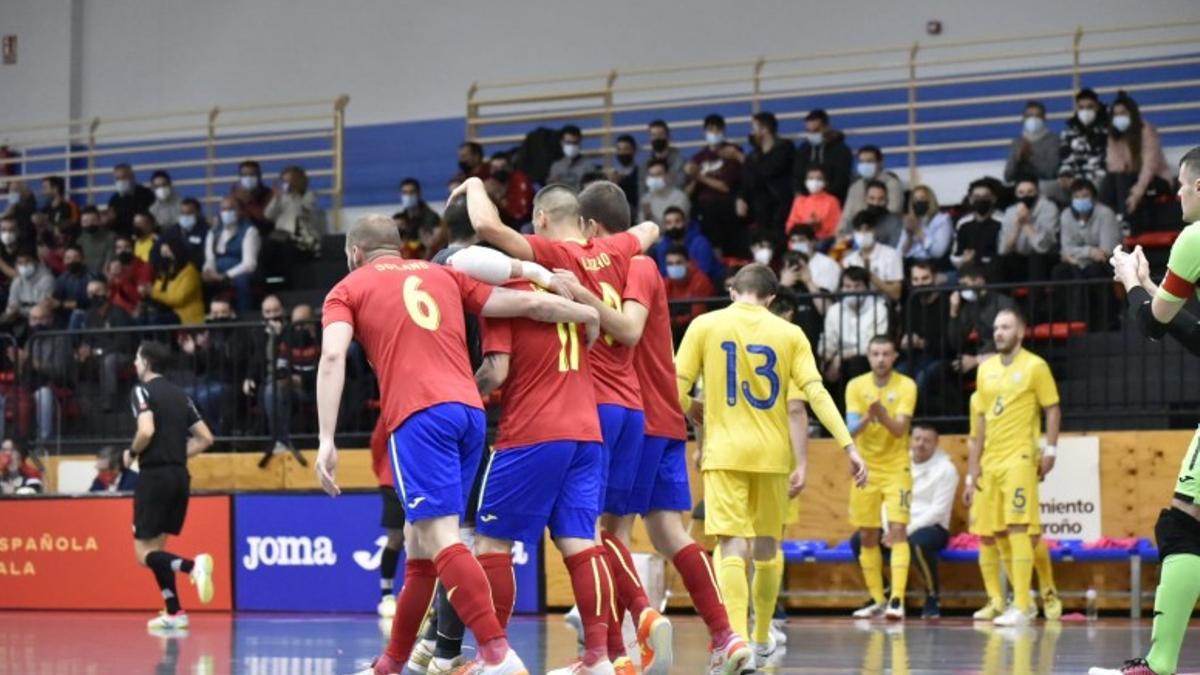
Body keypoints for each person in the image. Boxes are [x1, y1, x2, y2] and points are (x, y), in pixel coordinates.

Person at [315, 213, 602, 675]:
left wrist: (326, 439)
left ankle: (496, 652)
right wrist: (587, 311)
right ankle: (392, 663)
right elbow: (527, 305)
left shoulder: (347, 289)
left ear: (354, 253)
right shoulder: (443, 274)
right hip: (469, 412)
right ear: (399, 246)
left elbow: (332, 356)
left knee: (440, 536)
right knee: (420, 543)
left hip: (418, 413)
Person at [454, 179, 670, 672]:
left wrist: (473, 184)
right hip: (587, 426)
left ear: (543, 220)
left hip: (533, 429)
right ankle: (597, 657)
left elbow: (498, 371)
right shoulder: (612, 252)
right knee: (581, 538)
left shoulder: (514, 284)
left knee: (492, 542)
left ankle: (496, 656)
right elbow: (649, 228)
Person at [551, 181, 751, 673]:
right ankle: (726, 637)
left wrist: (578, 295)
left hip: (640, 417)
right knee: (667, 533)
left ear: (591, 228)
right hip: (662, 414)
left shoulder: (636, 266)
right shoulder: (634, 264)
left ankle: (624, 639)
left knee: (606, 534)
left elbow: (630, 330)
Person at [675, 264, 866, 666]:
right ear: (772, 299)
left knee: (731, 544)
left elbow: (673, 384)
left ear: (732, 291)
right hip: (773, 455)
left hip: (726, 452)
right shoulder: (790, 333)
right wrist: (848, 446)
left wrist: (691, 407)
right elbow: (815, 393)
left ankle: (737, 641)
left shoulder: (705, 325)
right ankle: (762, 638)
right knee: (767, 547)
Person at [1098, 147, 1200, 675]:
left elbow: (1154, 325)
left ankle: (1158, 665)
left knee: (1185, 526)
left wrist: (1133, 281)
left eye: (1182, 186)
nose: (1178, 195)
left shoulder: (1195, 238)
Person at [966, 309, 1061, 627]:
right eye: (995, 328)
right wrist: (973, 468)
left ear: (1020, 332)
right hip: (990, 461)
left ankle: (1023, 604)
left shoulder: (1035, 366)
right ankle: (1002, 601)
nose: (999, 333)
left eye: (1005, 327)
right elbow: (979, 421)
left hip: (1020, 458)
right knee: (991, 533)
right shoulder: (985, 370)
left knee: (1020, 528)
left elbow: (1052, 409)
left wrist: (1050, 449)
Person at [125, 341, 216, 631]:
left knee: (143, 554)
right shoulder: (181, 395)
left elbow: (146, 429)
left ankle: (193, 567)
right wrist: (176, 452)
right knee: (158, 552)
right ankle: (174, 612)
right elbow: (205, 438)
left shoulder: (141, 390)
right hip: (179, 476)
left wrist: (131, 452)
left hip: (154, 477)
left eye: (137, 358)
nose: (134, 364)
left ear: (147, 362)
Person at [845, 335, 916, 620]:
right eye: (875, 353)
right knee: (867, 534)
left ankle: (897, 599)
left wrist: (881, 415)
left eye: (886, 354)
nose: (881, 359)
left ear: (895, 356)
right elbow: (850, 429)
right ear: (868, 355)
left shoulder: (907, 385)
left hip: (897, 467)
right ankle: (877, 598)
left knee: (898, 529)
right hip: (867, 469)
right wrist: (868, 417)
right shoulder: (855, 386)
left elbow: (899, 429)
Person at [902, 424, 957, 618]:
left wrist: (907, 530)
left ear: (936, 443)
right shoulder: (900, 463)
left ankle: (933, 596)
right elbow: (888, 498)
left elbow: (938, 510)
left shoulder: (946, 469)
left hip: (933, 527)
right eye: (917, 439)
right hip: (900, 523)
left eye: (927, 440)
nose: (920, 444)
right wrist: (890, 526)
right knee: (861, 540)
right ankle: (884, 595)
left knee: (918, 543)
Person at [1101, 91, 1173, 233]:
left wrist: (1136, 194)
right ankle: (1109, 222)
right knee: (1111, 180)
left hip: (1155, 179)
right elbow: (1114, 166)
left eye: (1123, 113)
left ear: (1132, 114)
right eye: (1115, 114)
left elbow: (1149, 167)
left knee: (1124, 180)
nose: (1119, 118)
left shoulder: (1146, 130)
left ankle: (1126, 221)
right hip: (1129, 178)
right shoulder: (1114, 135)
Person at [1053, 178, 1120, 326]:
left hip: (1106, 264)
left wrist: (1077, 254)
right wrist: (1089, 251)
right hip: (1078, 263)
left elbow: (1106, 251)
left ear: (1094, 198)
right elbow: (1066, 249)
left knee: (1093, 272)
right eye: (1076, 197)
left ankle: (1104, 323)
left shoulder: (1105, 214)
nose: (1080, 200)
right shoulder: (1066, 215)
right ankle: (1069, 323)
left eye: (1085, 196)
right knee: (1060, 272)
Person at [821, 266, 889, 388]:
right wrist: (828, 359)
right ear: (841, 288)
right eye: (847, 286)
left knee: (856, 363)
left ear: (866, 287)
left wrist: (843, 355)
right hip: (839, 359)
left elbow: (877, 344)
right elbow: (827, 343)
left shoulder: (879, 308)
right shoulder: (834, 310)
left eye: (857, 286)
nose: (852, 290)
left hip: (867, 360)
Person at [686, 114, 742, 256]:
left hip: (727, 207)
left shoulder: (732, 152)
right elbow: (688, 192)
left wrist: (699, 176)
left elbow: (725, 186)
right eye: (711, 129)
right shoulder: (698, 158)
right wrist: (692, 176)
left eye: (718, 129)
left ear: (723, 131)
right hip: (703, 210)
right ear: (705, 132)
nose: (714, 133)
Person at [77, 278, 135, 411]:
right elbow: (87, 338)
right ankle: (81, 405)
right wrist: (83, 349)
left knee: (109, 361)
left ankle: (109, 403)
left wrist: (98, 352)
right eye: (90, 293)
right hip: (97, 354)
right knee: (75, 359)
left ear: (108, 293)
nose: (94, 295)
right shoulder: (89, 315)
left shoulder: (119, 313)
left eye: (98, 291)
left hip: (123, 354)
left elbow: (123, 342)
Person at [946, 263, 1014, 375]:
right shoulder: (970, 306)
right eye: (960, 285)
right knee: (943, 372)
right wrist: (953, 312)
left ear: (980, 280)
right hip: (980, 356)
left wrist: (977, 360)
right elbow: (956, 342)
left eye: (965, 284)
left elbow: (1008, 343)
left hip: (1001, 359)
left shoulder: (1004, 304)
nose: (962, 290)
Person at [367, 417, 404, 620]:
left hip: (420, 480)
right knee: (396, 537)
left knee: (424, 542)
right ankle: (387, 595)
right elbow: (377, 442)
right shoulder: (390, 410)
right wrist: (382, 470)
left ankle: (421, 599)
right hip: (392, 481)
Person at [898, 262, 950, 402]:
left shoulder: (947, 302)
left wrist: (922, 343)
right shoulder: (910, 302)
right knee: (896, 374)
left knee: (922, 377)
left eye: (925, 278)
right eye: (916, 280)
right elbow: (902, 336)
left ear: (934, 278)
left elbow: (950, 344)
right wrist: (904, 343)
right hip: (913, 357)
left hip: (940, 357)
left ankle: (919, 421)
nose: (920, 284)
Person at [202, 196, 261, 312]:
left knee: (242, 281)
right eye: (223, 209)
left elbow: (249, 264)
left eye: (231, 209)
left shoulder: (249, 231)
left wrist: (225, 276)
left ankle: (245, 318)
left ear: (240, 211)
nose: (226, 213)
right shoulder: (213, 231)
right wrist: (208, 271)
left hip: (240, 271)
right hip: (217, 269)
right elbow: (210, 258)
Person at [740, 111, 795, 233]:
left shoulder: (785, 148)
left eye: (754, 128)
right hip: (759, 209)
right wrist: (741, 198)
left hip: (780, 204)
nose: (752, 133)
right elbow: (746, 179)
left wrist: (740, 158)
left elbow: (768, 170)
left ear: (764, 129)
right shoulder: (754, 155)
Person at [999, 177, 1060, 283]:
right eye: (1021, 193)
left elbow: (1044, 247)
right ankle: (1001, 299)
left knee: (1036, 258)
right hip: (1021, 258)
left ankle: (1036, 299)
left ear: (1037, 192)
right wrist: (1018, 224)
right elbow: (1003, 250)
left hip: (1045, 258)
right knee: (998, 262)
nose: (1025, 196)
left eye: (1030, 192)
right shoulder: (1011, 211)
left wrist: (1026, 224)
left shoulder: (1049, 208)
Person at [264, 165, 324, 265]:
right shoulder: (281, 197)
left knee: (288, 249)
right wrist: (276, 198)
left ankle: (290, 279)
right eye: (284, 181)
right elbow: (268, 215)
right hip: (281, 235)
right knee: (265, 246)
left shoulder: (309, 196)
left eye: (289, 181)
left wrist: (294, 195)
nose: (286, 184)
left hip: (303, 238)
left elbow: (302, 212)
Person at [652, 206, 723, 286]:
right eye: (669, 223)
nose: (673, 226)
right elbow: (664, 273)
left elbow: (705, 270)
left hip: (705, 285)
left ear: (685, 222)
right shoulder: (662, 246)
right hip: (675, 289)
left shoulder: (700, 242)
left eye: (677, 221)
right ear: (664, 226)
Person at [793, 109, 852, 204]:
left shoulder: (841, 150)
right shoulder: (804, 149)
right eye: (809, 131)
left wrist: (823, 197)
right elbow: (797, 175)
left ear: (827, 127)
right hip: (808, 202)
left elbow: (841, 180)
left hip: (834, 202)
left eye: (816, 130)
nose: (812, 134)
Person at [840, 146, 904, 234]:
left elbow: (894, 212)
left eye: (869, 161)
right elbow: (846, 217)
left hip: (884, 233)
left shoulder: (892, 184)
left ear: (880, 163)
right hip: (857, 234)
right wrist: (840, 233)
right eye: (862, 162)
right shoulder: (855, 187)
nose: (865, 165)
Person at [840, 214, 903, 302]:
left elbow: (896, 294)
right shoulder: (848, 260)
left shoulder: (891, 255)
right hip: (854, 308)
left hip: (882, 306)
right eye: (859, 230)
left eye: (866, 229)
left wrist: (869, 275)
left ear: (874, 231)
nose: (862, 233)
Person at [1058, 88, 1108, 190]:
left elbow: (1106, 164)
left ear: (1097, 107)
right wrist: (1065, 176)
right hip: (1073, 181)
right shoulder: (1068, 133)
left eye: (1090, 107)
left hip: (1098, 180)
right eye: (1081, 108)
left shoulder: (1108, 132)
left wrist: (1085, 180)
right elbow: (1064, 160)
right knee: (1045, 188)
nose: (1085, 111)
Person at [149, 236, 204, 325]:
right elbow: (158, 290)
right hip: (169, 315)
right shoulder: (166, 271)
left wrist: (153, 292)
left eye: (167, 252)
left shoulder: (190, 272)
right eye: (163, 253)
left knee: (158, 321)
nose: (165, 256)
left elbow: (177, 299)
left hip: (186, 319)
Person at [1004, 102, 1060, 190]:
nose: (1033, 119)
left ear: (1044, 118)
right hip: (1020, 188)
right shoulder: (1018, 141)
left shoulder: (1053, 140)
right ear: (1023, 119)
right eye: (1029, 116)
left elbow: (1051, 173)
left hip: (1044, 188)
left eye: (1038, 116)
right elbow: (1008, 177)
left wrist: (1030, 157)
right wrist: (1017, 159)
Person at [951, 180, 1003, 274]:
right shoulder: (963, 223)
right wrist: (963, 260)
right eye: (977, 197)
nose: (981, 200)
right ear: (971, 199)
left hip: (995, 271)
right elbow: (955, 256)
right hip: (968, 270)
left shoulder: (1002, 221)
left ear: (993, 199)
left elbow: (1003, 255)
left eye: (985, 197)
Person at [898, 185, 953, 271]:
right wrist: (909, 236)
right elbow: (901, 253)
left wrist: (918, 231)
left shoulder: (942, 219)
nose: (918, 202)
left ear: (930, 200)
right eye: (915, 200)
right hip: (911, 266)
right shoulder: (910, 220)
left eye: (922, 198)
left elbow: (938, 252)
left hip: (934, 266)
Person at [665, 244, 716, 336]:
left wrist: (672, 320)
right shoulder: (666, 283)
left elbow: (697, 317)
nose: (674, 267)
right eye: (670, 264)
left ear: (688, 263)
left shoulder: (700, 281)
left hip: (696, 331)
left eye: (678, 263)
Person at [784, 166, 841, 242]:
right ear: (805, 181)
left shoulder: (832, 201)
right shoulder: (800, 201)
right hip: (799, 241)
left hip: (822, 243)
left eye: (819, 178)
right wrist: (805, 225)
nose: (814, 182)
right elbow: (789, 227)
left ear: (826, 182)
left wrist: (820, 226)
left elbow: (836, 227)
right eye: (811, 178)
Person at [0, 249, 53, 330]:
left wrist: (19, 310)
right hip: (19, 320)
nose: (24, 265)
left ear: (35, 262)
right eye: (20, 263)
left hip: (41, 320)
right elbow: (12, 306)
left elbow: (42, 309)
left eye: (27, 262)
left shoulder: (47, 279)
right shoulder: (17, 281)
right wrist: (13, 311)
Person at [842, 180, 903, 247]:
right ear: (865, 199)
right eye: (872, 198)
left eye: (881, 199)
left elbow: (894, 251)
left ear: (886, 200)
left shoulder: (895, 223)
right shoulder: (857, 219)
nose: (876, 203)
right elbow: (843, 248)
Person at [785, 225, 841, 294]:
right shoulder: (788, 264)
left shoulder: (828, 264)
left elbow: (826, 297)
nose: (797, 244)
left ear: (813, 242)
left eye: (801, 240)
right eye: (793, 241)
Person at [484, 153, 535, 227]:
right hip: (500, 224)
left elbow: (521, 215)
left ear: (510, 167)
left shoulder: (520, 180)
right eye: (495, 168)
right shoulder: (489, 183)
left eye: (503, 167)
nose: (499, 171)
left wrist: (499, 199)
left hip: (524, 222)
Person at [49, 245, 93, 326]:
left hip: (87, 316)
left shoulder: (91, 276)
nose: (71, 261)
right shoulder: (62, 278)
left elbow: (88, 302)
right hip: (64, 316)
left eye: (75, 257)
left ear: (82, 259)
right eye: (68, 258)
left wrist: (62, 304)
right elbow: (56, 297)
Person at [106, 164, 155, 236]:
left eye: (123, 177)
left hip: (143, 235)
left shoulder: (146, 194)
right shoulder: (114, 200)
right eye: (117, 179)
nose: (121, 181)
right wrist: (110, 221)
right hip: (123, 239)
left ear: (132, 177)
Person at [640, 159, 691, 225]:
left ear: (668, 175)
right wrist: (647, 217)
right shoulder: (646, 199)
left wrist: (651, 218)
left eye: (659, 174)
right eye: (652, 175)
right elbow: (640, 225)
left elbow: (674, 226)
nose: (655, 178)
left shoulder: (680, 197)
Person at [640, 120, 687, 192]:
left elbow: (680, 185)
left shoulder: (680, 161)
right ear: (650, 138)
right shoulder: (644, 164)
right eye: (654, 135)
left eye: (661, 134)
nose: (657, 138)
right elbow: (642, 191)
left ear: (668, 137)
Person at [548, 125, 595, 190]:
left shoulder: (588, 166)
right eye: (568, 143)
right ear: (561, 142)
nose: (571, 146)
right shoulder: (556, 167)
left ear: (580, 142)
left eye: (575, 143)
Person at [168, 198, 209, 270]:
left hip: (196, 270)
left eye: (189, 213)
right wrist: (163, 247)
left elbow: (203, 256)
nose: (185, 216)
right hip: (174, 270)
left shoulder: (206, 231)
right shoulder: (174, 229)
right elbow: (159, 245)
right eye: (182, 213)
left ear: (198, 213)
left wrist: (176, 255)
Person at [230, 160, 272, 229]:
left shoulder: (269, 195)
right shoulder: (235, 195)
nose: (248, 178)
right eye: (244, 175)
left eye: (252, 175)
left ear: (259, 176)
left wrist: (249, 201)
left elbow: (266, 221)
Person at [77, 206, 116, 276]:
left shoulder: (111, 237)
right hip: (84, 277)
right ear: (81, 223)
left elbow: (109, 264)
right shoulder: (79, 240)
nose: (89, 224)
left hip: (103, 277)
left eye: (93, 221)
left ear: (99, 220)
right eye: (85, 221)